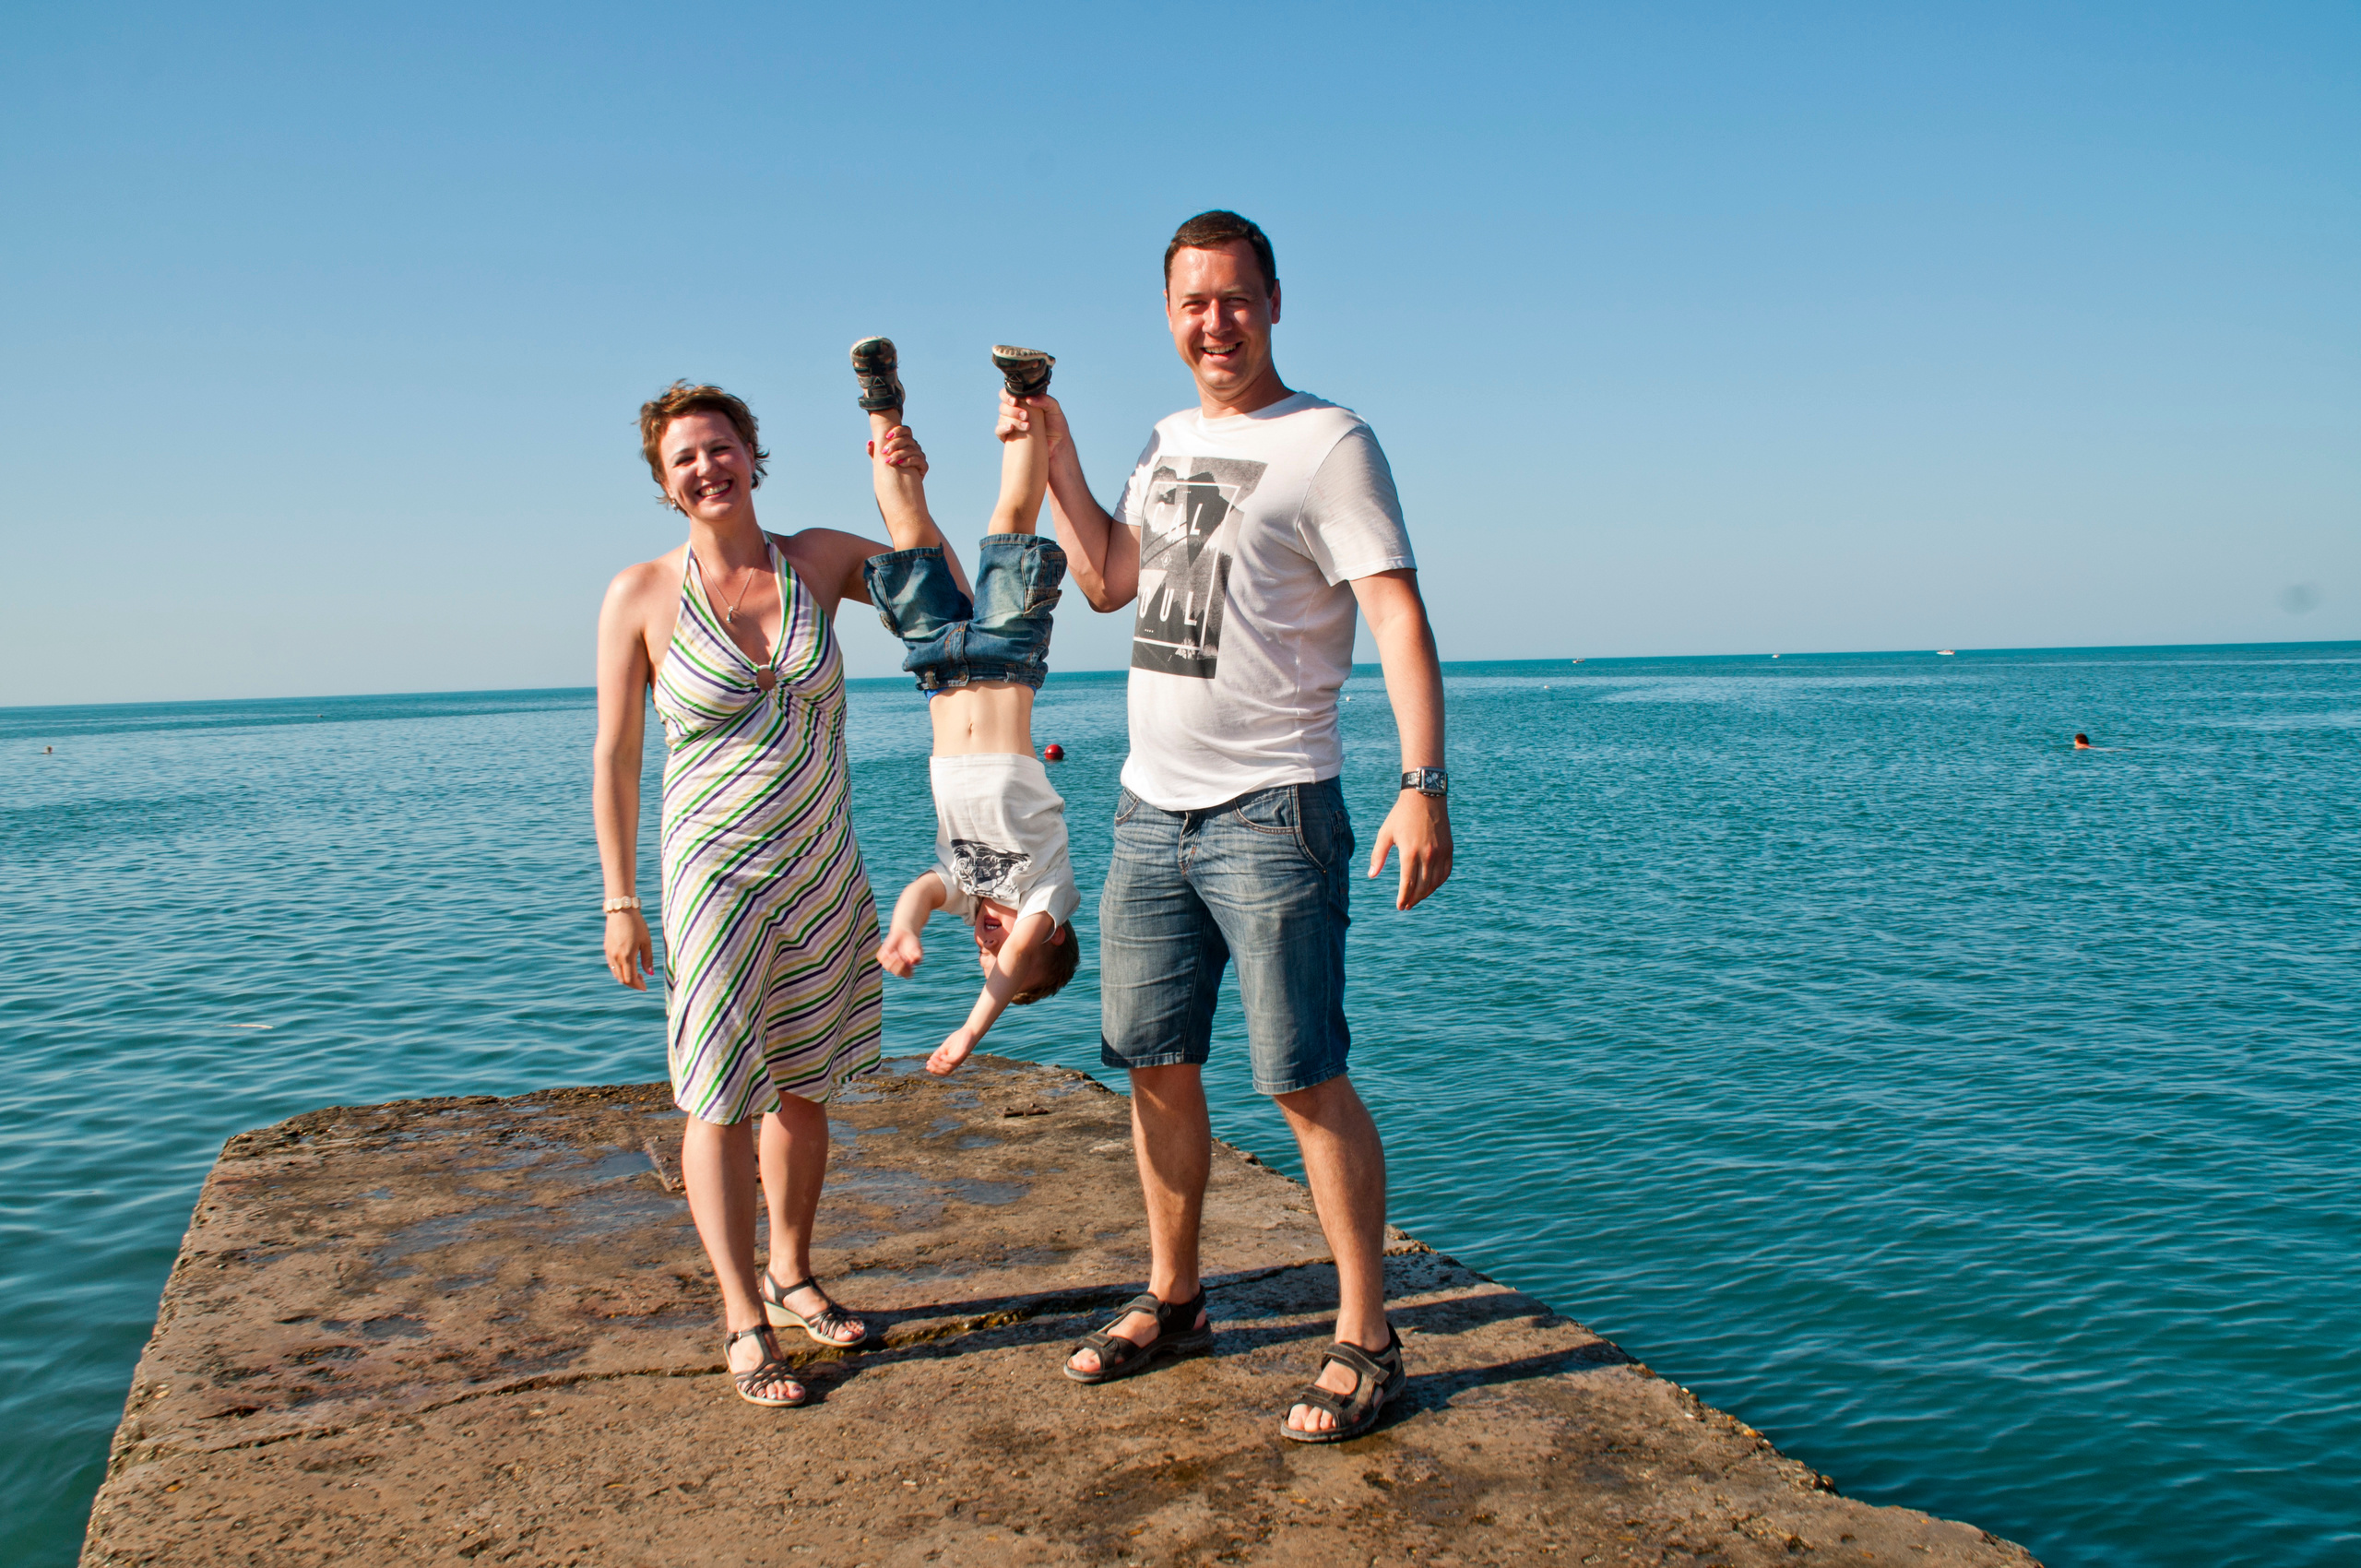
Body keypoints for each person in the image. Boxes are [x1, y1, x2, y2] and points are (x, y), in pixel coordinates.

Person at [1011, 210, 1453, 1442]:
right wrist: (1056, 459)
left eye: (1237, 299)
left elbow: (1399, 617)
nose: (1216, 322)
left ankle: (1368, 1337)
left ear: (1273, 301)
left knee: (1304, 1078)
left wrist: (1425, 783)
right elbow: (1106, 578)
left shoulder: (1329, 444)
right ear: (1170, 314)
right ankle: (1176, 1296)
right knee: (1154, 1067)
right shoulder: (1163, 443)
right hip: (1151, 812)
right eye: (1194, 303)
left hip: (1275, 809)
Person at [592, 380, 912, 1408]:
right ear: (663, 481)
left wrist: (899, 484)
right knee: (719, 1090)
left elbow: (935, 583)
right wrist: (619, 898)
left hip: (821, 862)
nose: (706, 466)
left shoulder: (815, 558)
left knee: (806, 1082)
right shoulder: (639, 594)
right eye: (684, 456)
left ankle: (793, 1269)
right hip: (711, 869)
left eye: (720, 447)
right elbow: (615, 756)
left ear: (751, 455)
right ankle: (741, 1312)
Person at [855, 339, 1083, 1075]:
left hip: (937, 675)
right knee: (1011, 515)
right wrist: (969, 1033)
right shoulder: (1048, 892)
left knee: (906, 529)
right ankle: (1026, 390)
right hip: (1006, 659)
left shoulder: (970, 888)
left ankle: (880, 399)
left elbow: (926, 888)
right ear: (1047, 936)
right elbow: (1014, 959)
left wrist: (904, 929)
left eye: (979, 952)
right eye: (999, 951)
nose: (986, 943)